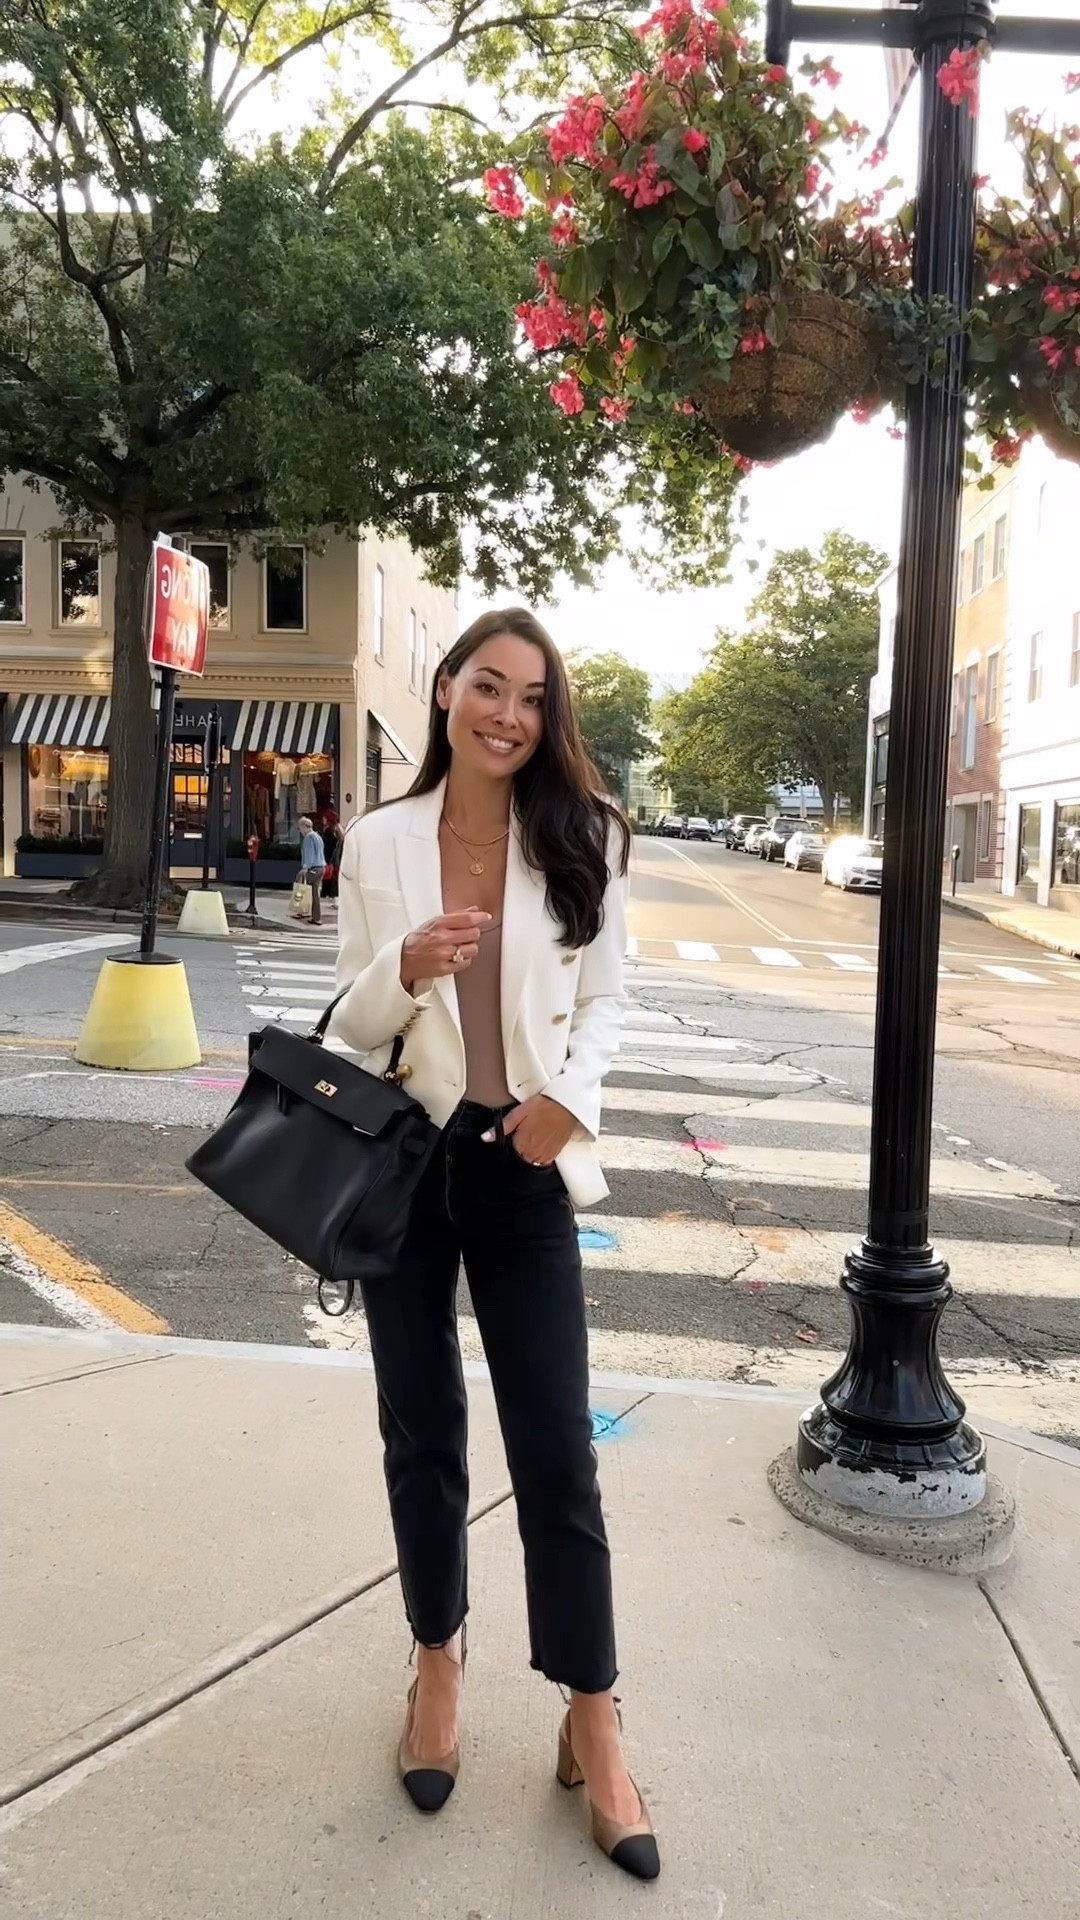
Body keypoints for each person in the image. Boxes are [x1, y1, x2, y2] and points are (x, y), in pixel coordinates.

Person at [330, 609, 659, 1881]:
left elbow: (612, 995)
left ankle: (593, 1715)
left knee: (556, 1452)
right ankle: (436, 1661)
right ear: (447, 691)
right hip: (407, 1169)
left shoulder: (585, 836)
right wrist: (404, 967)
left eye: (531, 696)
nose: (507, 714)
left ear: (548, 714)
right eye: (487, 685)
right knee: (420, 1431)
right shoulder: (381, 842)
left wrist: (571, 1098)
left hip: (523, 1167)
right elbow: (350, 1026)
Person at [297, 815, 325, 926]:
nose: (300, 831)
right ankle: (315, 916)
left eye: (300, 828)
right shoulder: (317, 836)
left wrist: (305, 868)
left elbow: (309, 854)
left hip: (313, 869)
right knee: (315, 893)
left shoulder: (308, 838)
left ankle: (308, 913)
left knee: (308, 892)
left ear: (304, 827)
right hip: (321, 867)